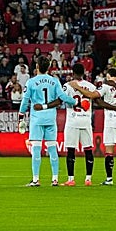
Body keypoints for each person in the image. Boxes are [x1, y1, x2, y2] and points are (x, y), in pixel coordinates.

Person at [18, 56, 77, 187]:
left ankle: (35, 179)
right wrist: (75, 102)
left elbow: (25, 100)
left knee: (36, 149)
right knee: (52, 148)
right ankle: (55, 179)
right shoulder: (54, 80)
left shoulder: (31, 82)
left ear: (37, 66)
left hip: (37, 119)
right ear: (48, 67)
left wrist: (21, 116)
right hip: (50, 118)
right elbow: (62, 97)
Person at [60, 62, 102, 186]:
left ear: (73, 73)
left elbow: (63, 99)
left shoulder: (67, 85)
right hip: (86, 120)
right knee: (88, 149)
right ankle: (88, 179)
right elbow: (96, 100)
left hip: (72, 120)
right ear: (84, 73)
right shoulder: (90, 86)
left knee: (71, 150)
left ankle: (71, 179)